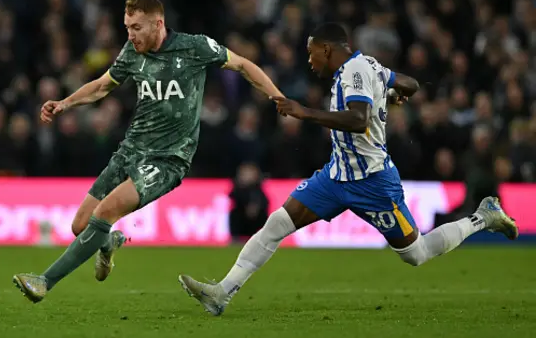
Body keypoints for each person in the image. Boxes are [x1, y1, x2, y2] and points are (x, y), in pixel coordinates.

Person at [178, 22, 519, 316]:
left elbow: (357, 120)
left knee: (416, 253)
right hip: (335, 175)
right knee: (278, 223)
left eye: (312, 53)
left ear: (327, 49)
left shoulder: (355, 71)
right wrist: (396, 91)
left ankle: (482, 217)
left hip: (373, 182)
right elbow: (411, 84)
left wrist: (304, 112)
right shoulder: (367, 66)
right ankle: (221, 293)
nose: (309, 61)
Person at [12, 0, 284, 303]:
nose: (130, 34)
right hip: (130, 150)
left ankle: (44, 281)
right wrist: (65, 103)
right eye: (127, 27)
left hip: (168, 159)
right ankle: (109, 241)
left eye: (137, 27)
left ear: (158, 24)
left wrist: (277, 97)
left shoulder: (195, 47)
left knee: (106, 210)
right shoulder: (132, 52)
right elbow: (102, 85)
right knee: (81, 226)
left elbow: (244, 65)